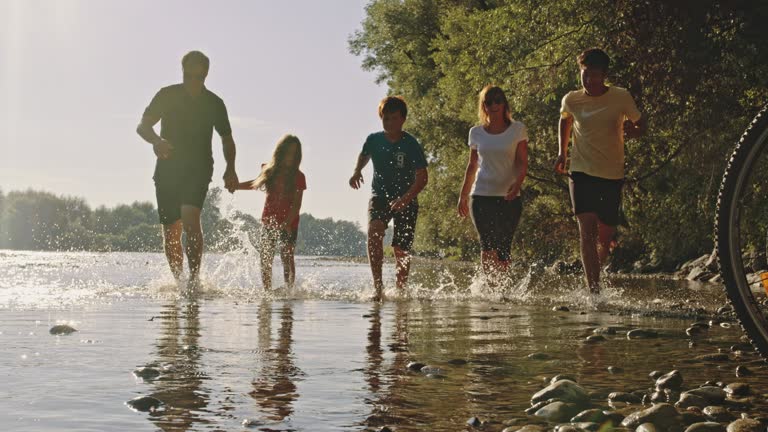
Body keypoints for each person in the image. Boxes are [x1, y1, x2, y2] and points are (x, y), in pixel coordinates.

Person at [137, 50, 239, 289]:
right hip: (168, 169)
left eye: (198, 76)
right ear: (182, 71)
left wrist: (230, 169)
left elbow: (226, 138)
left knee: (191, 219)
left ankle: (193, 281)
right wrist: (156, 141)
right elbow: (142, 126)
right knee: (171, 230)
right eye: (188, 75)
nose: (193, 80)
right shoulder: (167, 95)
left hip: (199, 167)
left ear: (206, 74)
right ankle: (179, 282)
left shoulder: (214, 103)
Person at [554, 48, 646, 294]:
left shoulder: (620, 96)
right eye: (585, 74)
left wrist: (632, 130)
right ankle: (593, 289)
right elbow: (565, 120)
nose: (589, 80)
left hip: (611, 174)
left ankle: (597, 270)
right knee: (586, 230)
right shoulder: (572, 99)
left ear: (604, 75)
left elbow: (641, 125)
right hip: (581, 171)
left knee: (604, 236)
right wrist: (562, 152)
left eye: (594, 75)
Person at [349, 96, 428, 301]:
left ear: (402, 119)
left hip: (407, 198)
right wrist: (357, 171)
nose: (389, 123)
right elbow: (364, 154)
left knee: (400, 248)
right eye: (385, 119)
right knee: (374, 231)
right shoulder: (373, 139)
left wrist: (405, 199)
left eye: (394, 118)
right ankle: (378, 288)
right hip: (380, 196)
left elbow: (422, 177)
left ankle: (401, 289)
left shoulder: (410, 143)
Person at [458, 85, 528, 279]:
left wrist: (518, 184)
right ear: (484, 106)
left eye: (498, 100)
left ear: (504, 103)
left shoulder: (518, 129)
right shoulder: (476, 132)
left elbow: (522, 163)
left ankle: (501, 291)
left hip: (510, 197)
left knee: (503, 248)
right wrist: (463, 196)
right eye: (489, 102)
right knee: (487, 244)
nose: (494, 105)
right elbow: (472, 166)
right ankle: (491, 289)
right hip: (481, 196)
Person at [237, 134, 306, 291]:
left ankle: (289, 290)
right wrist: (237, 186)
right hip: (269, 222)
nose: (291, 156)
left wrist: (287, 224)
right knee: (265, 258)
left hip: (289, 223)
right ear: (280, 152)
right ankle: (267, 291)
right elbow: (254, 184)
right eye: (288, 152)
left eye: (295, 154)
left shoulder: (299, 176)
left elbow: (296, 205)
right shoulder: (269, 170)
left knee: (287, 257)